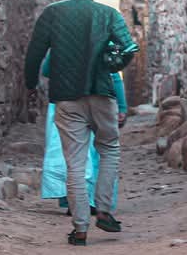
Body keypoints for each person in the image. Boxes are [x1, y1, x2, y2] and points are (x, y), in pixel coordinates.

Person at [23, 0, 137, 246]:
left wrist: (30, 85)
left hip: (67, 96)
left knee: (74, 161)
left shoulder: (53, 13)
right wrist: (113, 64)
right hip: (102, 93)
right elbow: (129, 48)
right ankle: (105, 211)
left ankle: (80, 228)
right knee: (109, 150)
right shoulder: (109, 14)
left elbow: (35, 52)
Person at [39, 50, 126, 215]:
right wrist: (121, 106)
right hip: (99, 99)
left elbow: (47, 70)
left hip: (67, 100)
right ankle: (95, 202)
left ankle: (75, 202)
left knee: (72, 154)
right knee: (97, 153)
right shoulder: (105, 40)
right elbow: (114, 75)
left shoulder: (61, 40)